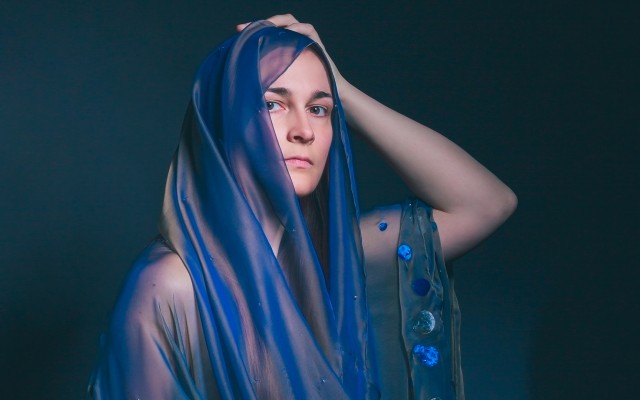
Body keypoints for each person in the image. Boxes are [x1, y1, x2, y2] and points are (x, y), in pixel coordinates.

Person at [88, 15, 516, 400]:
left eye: (319, 109)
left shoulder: (338, 261)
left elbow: (487, 204)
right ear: (225, 122)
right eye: (273, 103)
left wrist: (343, 91)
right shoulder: (170, 285)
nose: (304, 131)